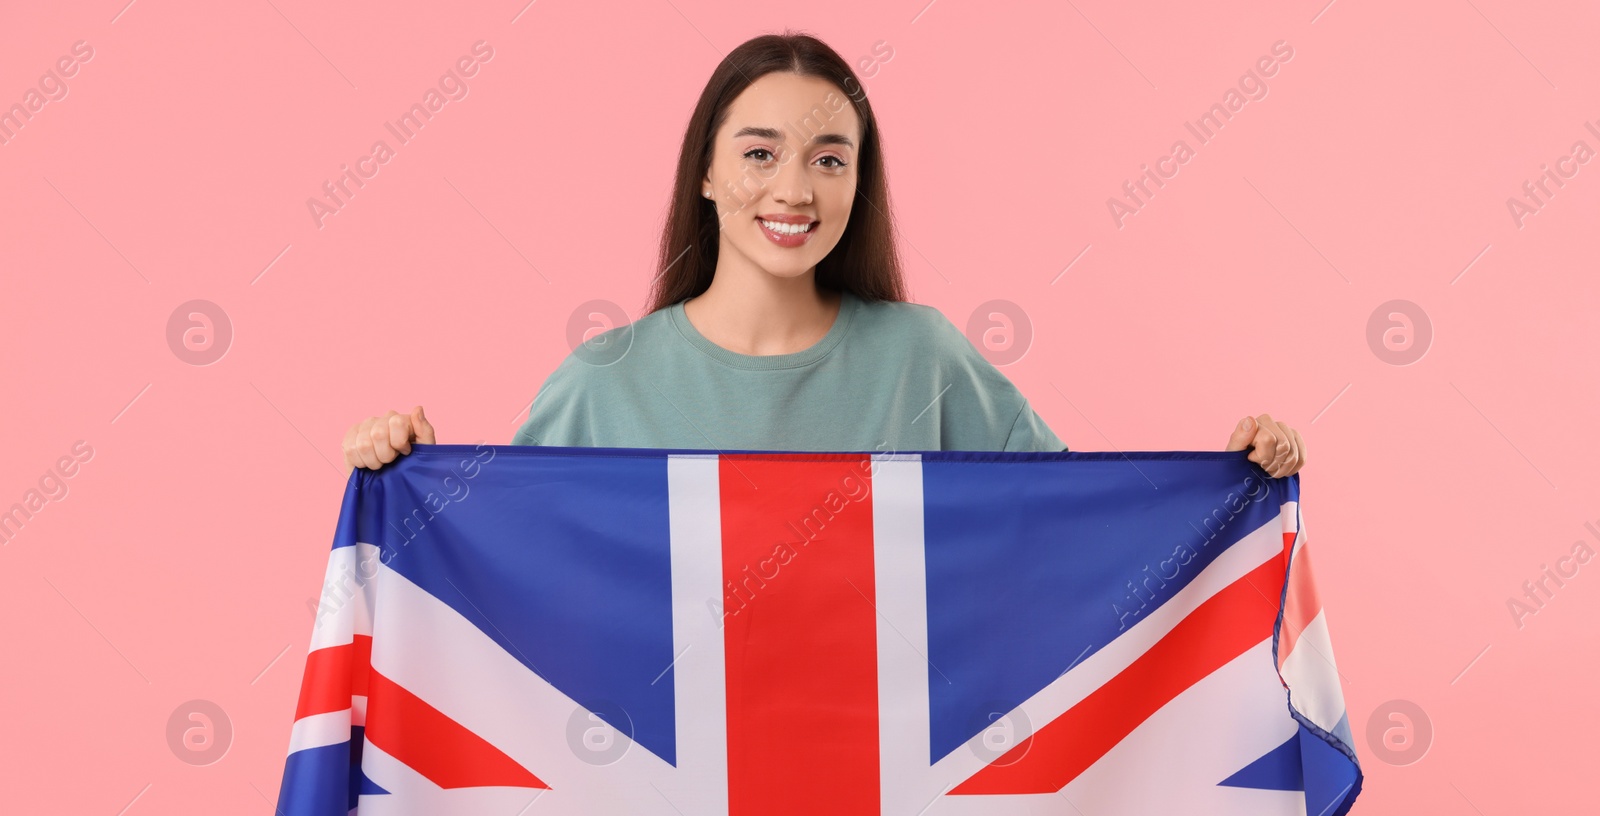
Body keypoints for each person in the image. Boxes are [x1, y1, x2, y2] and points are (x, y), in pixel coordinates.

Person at [341, 33, 1305, 477]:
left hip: (888, 803)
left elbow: (1071, 531)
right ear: (707, 175)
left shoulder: (924, 360)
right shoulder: (605, 383)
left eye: (828, 158)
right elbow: (506, 575)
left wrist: (1229, 490)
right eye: (759, 153)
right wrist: (401, 476)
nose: (794, 189)